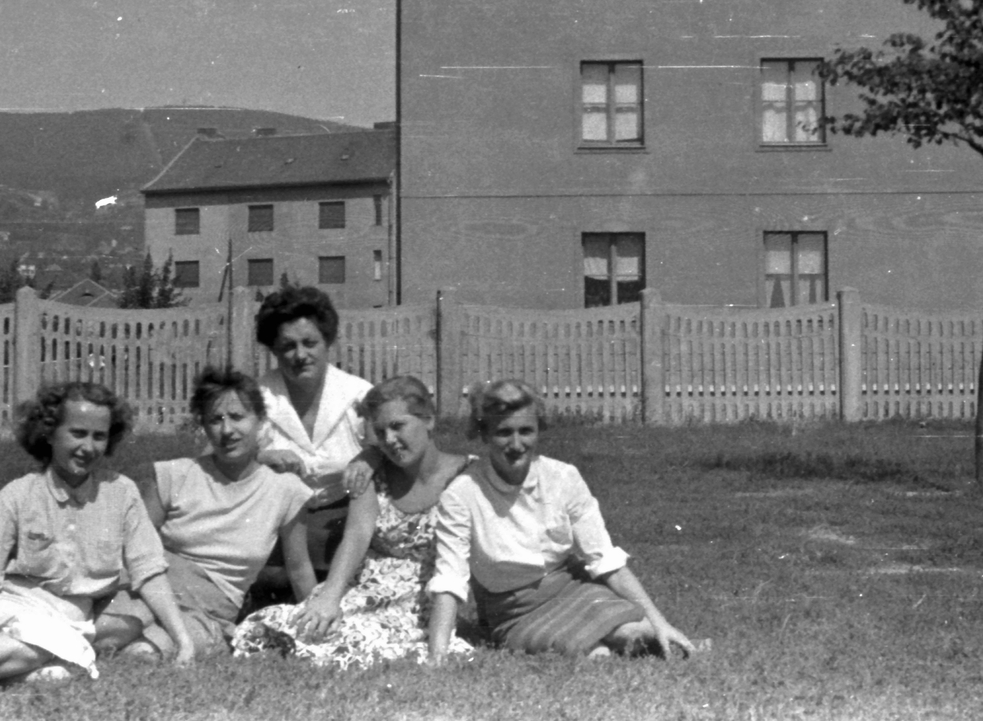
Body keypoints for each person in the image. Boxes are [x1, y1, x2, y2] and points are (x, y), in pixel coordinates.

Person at [426, 379, 700, 662]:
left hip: (572, 589)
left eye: (526, 431)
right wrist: (437, 658)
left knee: (635, 633)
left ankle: (662, 641)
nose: (516, 444)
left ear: (539, 431)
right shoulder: (461, 494)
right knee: (596, 655)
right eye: (504, 432)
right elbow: (450, 581)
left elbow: (606, 561)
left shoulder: (563, 477)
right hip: (513, 612)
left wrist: (660, 623)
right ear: (483, 434)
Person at [0, 381, 195, 682]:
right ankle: (31, 662)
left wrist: (183, 641)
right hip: (20, 609)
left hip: (79, 617)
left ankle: (28, 668)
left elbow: (149, 571)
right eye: (77, 433)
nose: (88, 447)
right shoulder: (17, 495)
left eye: (99, 437)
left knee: (134, 618)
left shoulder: (122, 493)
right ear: (50, 433)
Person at [234, 375, 475, 667]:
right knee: (307, 624)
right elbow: (357, 535)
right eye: (380, 431)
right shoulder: (371, 472)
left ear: (429, 420)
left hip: (424, 595)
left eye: (398, 426)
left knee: (355, 640)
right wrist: (330, 595)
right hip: (365, 586)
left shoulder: (468, 473)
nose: (389, 440)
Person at [134, 367, 317, 656]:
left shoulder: (286, 490)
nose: (227, 430)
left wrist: (317, 625)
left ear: (260, 421)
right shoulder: (175, 475)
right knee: (117, 627)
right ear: (203, 426)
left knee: (147, 650)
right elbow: (134, 548)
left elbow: (299, 569)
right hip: (152, 593)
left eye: (237, 417)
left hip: (210, 613)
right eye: (216, 419)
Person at [248, 284, 375, 600]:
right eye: (287, 346)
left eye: (310, 343)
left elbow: (392, 451)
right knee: (268, 577)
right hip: (279, 525)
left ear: (328, 342)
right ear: (273, 350)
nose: (300, 355)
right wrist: (260, 459)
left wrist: (370, 458)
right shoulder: (256, 398)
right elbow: (214, 463)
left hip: (345, 524)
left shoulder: (358, 395)